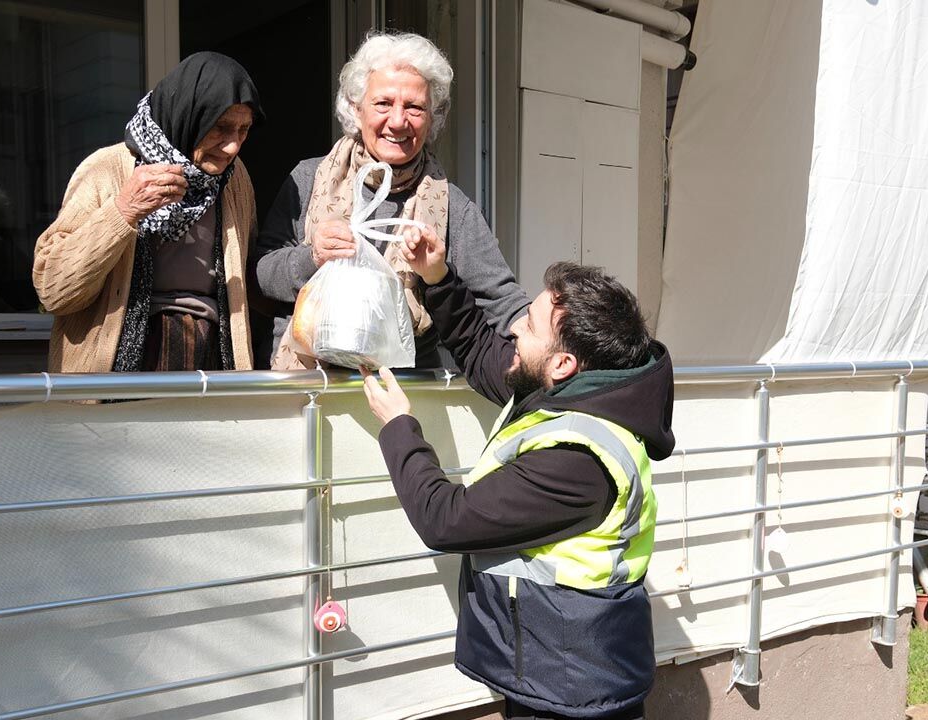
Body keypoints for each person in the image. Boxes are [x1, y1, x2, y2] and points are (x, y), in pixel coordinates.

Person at [361, 225, 675, 720]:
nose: (513, 330)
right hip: (556, 670)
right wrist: (438, 277)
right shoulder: (573, 394)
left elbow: (446, 520)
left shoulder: (577, 461)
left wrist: (399, 425)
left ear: (564, 363)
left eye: (529, 326)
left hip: (572, 692)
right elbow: (485, 355)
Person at [255, 32, 527, 369]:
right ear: (355, 109)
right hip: (307, 391)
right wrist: (312, 257)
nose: (398, 122)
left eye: (414, 107)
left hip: (402, 395)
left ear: (433, 118)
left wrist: (551, 346)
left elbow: (502, 300)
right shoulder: (307, 180)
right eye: (383, 103)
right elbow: (262, 275)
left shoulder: (451, 207)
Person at [34, 52, 264, 373]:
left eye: (243, 130)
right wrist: (123, 211)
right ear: (187, 115)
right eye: (221, 127)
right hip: (124, 374)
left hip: (211, 365)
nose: (232, 146)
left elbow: (251, 277)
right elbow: (53, 291)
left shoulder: (233, 179)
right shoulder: (107, 169)